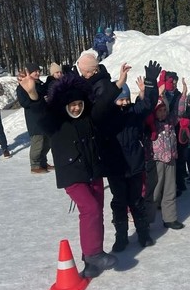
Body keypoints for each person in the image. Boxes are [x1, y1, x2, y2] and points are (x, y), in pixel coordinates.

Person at [18, 64, 132, 278]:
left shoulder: (90, 117)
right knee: (90, 208)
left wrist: (118, 83)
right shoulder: (56, 123)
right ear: (65, 105)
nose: (77, 108)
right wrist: (32, 93)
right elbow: (40, 114)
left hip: (94, 171)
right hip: (72, 174)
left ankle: (91, 260)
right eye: (73, 105)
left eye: (80, 104)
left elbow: (104, 104)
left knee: (96, 211)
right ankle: (93, 253)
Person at [109, 69, 160, 252]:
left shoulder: (133, 112)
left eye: (126, 99)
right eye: (120, 99)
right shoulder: (108, 117)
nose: (124, 103)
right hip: (116, 168)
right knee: (119, 202)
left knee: (137, 201)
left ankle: (143, 233)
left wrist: (150, 83)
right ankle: (121, 236)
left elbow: (148, 104)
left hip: (135, 165)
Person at [145, 79, 188, 229]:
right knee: (155, 192)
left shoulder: (170, 121)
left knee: (170, 190)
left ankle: (169, 218)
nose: (162, 113)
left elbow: (179, 111)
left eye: (164, 110)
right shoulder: (152, 124)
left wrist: (183, 95)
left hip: (170, 160)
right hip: (156, 161)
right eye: (159, 110)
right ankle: (146, 221)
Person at [16, 62, 52, 173]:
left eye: (38, 71)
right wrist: (36, 99)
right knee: (38, 142)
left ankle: (43, 162)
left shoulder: (39, 84)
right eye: (34, 71)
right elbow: (24, 102)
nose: (37, 73)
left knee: (47, 142)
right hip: (34, 119)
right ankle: (35, 165)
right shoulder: (22, 86)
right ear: (28, 73)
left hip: (45, 117)